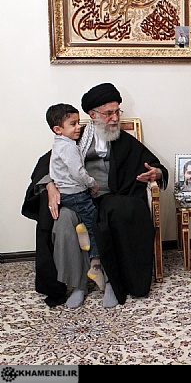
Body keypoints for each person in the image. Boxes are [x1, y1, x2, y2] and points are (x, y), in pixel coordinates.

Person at [22, 82, 168, 309]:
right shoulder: (75, 137)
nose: (115, 118)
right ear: (92, 115)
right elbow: (48, 164)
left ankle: (112, 282)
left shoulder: (124, 140)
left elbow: (152, 163)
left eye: (117, 112)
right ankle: (78, 285)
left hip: (110, 196)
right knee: (62, 220)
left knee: (119, 212)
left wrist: (156, 172)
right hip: (78, 196)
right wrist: (50, 186)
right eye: (108, 113)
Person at [46, 103, 105, 292]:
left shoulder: (58, 144)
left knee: (88, 219)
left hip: (66, 195)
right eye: (73, 124)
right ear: (58, 129)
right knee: (95, 223)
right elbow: (78, 172)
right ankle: (95, 264)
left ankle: (82, 233)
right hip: (77, 194)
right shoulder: (69, 147)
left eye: (79, 122)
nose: (79, 127)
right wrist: (92, 183)